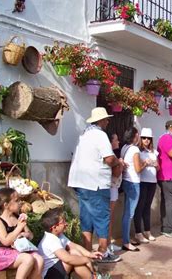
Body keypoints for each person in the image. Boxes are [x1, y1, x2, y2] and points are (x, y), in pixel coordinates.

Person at [68, 107, 122, 263]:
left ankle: (87, 252)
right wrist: (119, 161)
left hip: (80, 182)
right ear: (101, 121)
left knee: (87, 218)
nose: (107, 121)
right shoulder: (100, 135)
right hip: (95, 183)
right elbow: (109, 159)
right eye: (106, 119)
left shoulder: (84, 134)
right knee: (102, 218)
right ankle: (103, 252)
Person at [0, 188, 44, 278]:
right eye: (16, 200)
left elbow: (31, 235)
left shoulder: (17, 217)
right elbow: (6, 241)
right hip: (4, 254)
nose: (20, 202)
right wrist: (19, 228)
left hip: (19, 250)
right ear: (6, 205)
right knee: (28, 259)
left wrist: (24, 234)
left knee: (39, 260)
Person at [38, 208, 103, 279]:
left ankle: (93, 277)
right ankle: (94, 277)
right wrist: (86, 260)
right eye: (63, 222)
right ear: (54, 227)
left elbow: (73, 246)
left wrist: (90, 254)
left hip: (58, 268)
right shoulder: (50, 240)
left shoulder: (59, 235)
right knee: (73, 256)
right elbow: (67, 259)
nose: (66, 224)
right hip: (51, 274)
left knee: (74, 254)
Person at [121, 127, 147, 252]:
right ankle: (126, 241)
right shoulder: (135, 149)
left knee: (127, 212)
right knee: (129, 213)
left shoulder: (124, 148)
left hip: (126, 181)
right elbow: (137, 169)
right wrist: (145, 164)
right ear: (135, 136)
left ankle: (126, 238)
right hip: (133, 182)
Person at [134, 128, 159, 244]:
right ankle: (138, 232)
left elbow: (159, 167)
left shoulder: (154, 152)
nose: (146, 140)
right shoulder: (138, 151)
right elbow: (138, 167)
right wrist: (145, 163)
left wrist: (154, 164)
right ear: (140, 139)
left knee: (147, 206)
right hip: (142, 181)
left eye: (148, 138)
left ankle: (147, 231)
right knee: (140, 206)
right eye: (144, 138)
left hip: (152, 181)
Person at [108, 133, 123, 254]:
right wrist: (121, 164)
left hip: (113, 187)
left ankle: (109, 243)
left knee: (110, 217)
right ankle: (107, 244)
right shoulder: (111, 156)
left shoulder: (112, 155)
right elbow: (116, 173)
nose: (118, 142)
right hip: (111, 188)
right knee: (109, 217)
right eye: (116, 140)